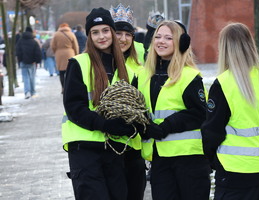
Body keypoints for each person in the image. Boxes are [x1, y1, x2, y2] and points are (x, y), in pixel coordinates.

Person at [61, 7, 138, 200]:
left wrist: (130, 125)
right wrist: (105, 124)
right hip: (85, 147)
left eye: (105, 30)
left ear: (112, 32)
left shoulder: (124, 69)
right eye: (95, 32)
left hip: (114, 148)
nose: (101, 36)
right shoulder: (79, 63)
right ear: (89, 36)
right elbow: (74, 107)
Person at [201, 22, 259, 200]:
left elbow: (212, 132)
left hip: (235, 172)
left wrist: (212, 160)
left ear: (225, 48)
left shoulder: (223, 84)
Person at [138, 20, 211, 200]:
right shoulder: (143, 76)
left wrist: (166, 126)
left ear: (180, 42)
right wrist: (143, 126)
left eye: (168, 38)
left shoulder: (189, 76)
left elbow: (200, 113)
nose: (161, 41)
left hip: (190, 159)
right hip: (159, 159)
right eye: (158, 37)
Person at [110, 3, 146, 200]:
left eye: (128, 34)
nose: (123, 39)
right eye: (118, 33)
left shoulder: (141, 66)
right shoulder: (100, 64)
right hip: (107, 145)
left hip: (134, 145)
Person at [51, 23, 79, 94]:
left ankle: (63, 88)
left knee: (61, 73)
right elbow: (75, 46)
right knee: (70, 72)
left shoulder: (56, 34)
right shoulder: (71, 34)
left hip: (59, 54)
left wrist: (56, 52)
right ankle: (69, 88)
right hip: (70, 53)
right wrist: (76, 54)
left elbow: (53, 46)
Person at [16, 26, 42, 99]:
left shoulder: (20, 41)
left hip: (23, 62)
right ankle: (33, 91)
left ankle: (27, 92)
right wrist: (37, 61)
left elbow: (18, 51)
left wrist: (20, 60)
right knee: (32, 77)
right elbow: (37, 52)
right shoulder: (34, 41)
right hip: (32, 62)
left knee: (25, 77)